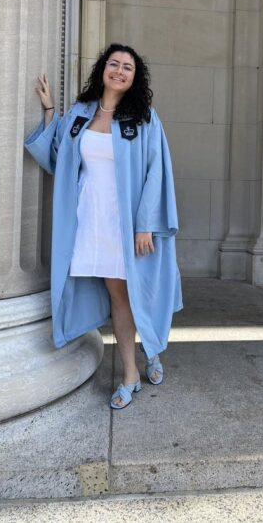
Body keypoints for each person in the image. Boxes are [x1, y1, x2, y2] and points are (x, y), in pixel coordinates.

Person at [24, 43, 182, 409]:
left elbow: (156, 171)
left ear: (135, 77)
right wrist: (50, 111)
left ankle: (147, 354)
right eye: (114, 64)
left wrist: (146, 224)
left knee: (135, 292)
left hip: (126, 223)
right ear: (103, 70)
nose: (120, 71)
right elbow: (58, 159)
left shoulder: (143, 119)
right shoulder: (80, 114)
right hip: (91, 221)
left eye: (128, 67)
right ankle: (133, 368)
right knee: (118, 295)